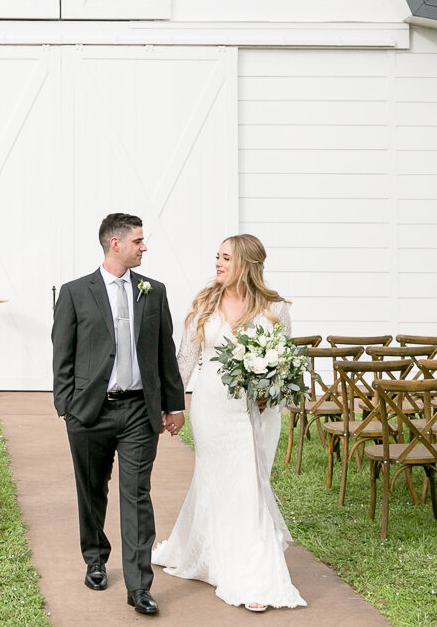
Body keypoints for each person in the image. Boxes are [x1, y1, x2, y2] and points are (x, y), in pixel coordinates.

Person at [151, 234, 306, 613]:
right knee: (217, 481)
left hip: (257, 412)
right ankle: (227, 562)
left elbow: (284, 362)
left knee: (250, 485)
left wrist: (272, 390)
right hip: (212, 409)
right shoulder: (205, 304)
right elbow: (185, 360)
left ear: (246, 265)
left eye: (225, 258)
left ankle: (253, 573)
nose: (217, 264)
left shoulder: (275, 308)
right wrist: (172, 407)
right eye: (217, 257)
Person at [52, 213, 186, 616]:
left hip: (139, 411)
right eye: (138, 241)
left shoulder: (153, 291)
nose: (144, 247)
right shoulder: (75, 292)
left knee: (137, 494)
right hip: (90, 412)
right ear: (116, 243)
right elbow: (62, 354)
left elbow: (164, 351)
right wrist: (67, 407)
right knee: (92, 490)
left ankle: (139, 586)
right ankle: (95, 559)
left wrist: (174, 404)